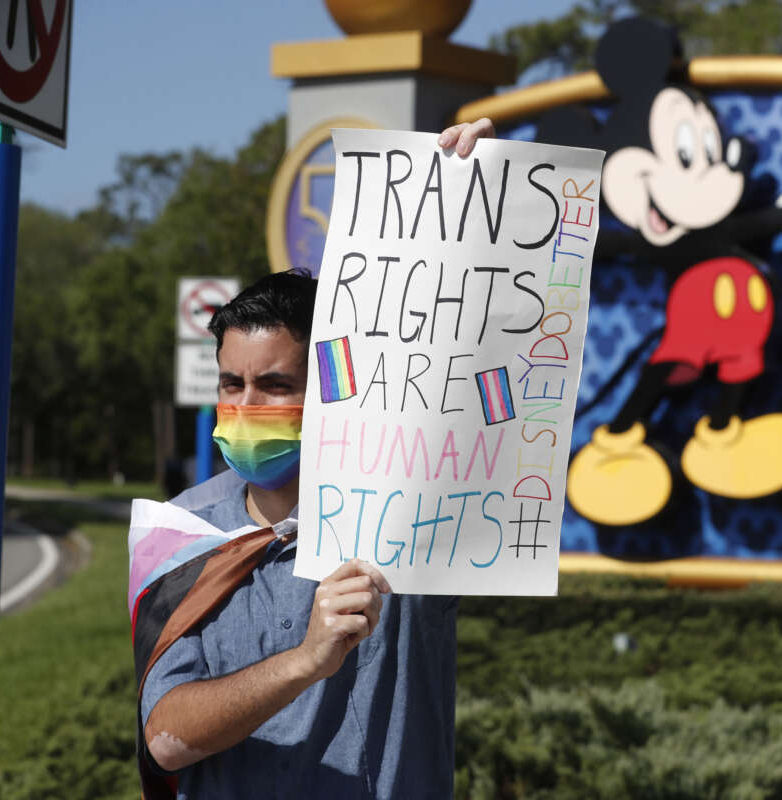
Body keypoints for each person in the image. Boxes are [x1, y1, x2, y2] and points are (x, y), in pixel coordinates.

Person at [133, 119, 494, 800]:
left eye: (274, 386)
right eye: (231, 384)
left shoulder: (412, 514)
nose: (245, 404)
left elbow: (466, 361)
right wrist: (305, 661)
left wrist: (465, 197)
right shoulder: (176, 534)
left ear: (332, 392)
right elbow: (165, 737)